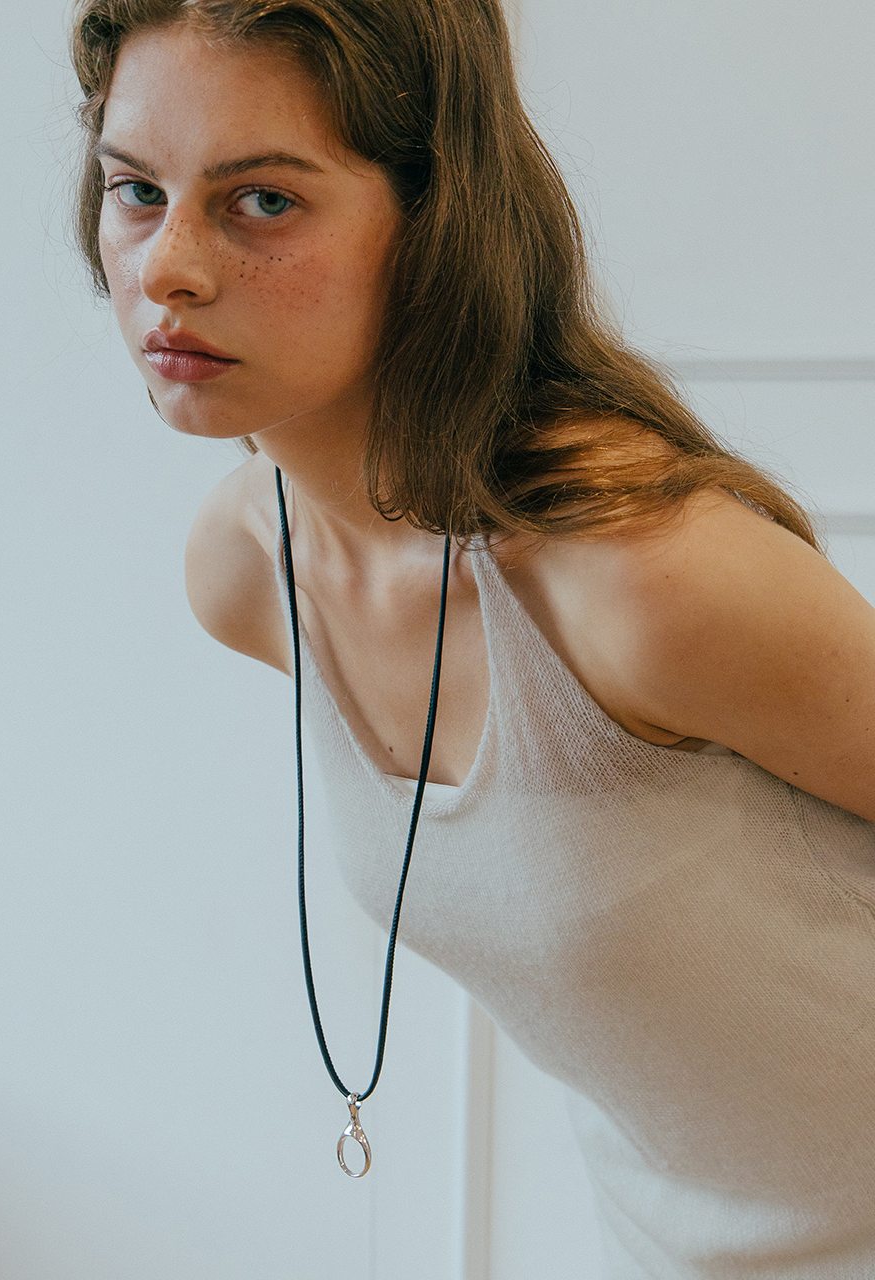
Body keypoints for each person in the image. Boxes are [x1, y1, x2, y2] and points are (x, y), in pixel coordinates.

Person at [70, 0, 875, 1273]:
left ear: (437, 221)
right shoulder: (245, 573)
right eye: (136, 190)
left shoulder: (645, 575)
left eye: (263, 201)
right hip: (677, 1244)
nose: (168, 266)